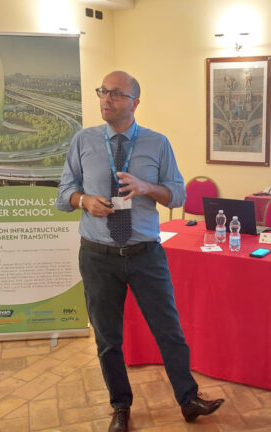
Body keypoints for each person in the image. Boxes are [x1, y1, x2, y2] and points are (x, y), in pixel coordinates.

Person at [56, 71, 223, 432]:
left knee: (169, 331)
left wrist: (147, 186)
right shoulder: (83, 140)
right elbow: (63, 194)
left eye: (115, 93)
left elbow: (178, 195)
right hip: (98, 255)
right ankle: (120, 406)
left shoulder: (157, 143)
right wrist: (84, 200)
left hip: (146, 253)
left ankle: (188, 399)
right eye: (103, 92)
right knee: (107, 338)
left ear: (135, 102)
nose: (106, 99)